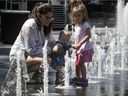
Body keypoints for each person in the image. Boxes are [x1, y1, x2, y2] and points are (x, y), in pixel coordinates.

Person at [9, 2, 55, 82]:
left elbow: (52, 42)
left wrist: (55, 47)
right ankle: (19, 75)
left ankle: (36, 77)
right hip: (19, 57)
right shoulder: (30, 25)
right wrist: (50, 49)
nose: (49, 20)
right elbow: (32, 51)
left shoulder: (46, 26)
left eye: (51, 18)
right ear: (38, 15)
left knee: (48, 59)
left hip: (31, 56)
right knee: (46, 60)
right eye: (47, 17)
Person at [70, 3, 94, 85]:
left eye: (79, 15)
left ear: (83, 15)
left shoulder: (85, 24)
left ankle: (84, 79)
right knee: (77, 63)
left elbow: (88, 35)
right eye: (75, 16)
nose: (77, 18)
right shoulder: (77, 25)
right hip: (79, 48)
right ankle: (77, 77)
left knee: (81, 63)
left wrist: (79, 44)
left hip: (85, 48)